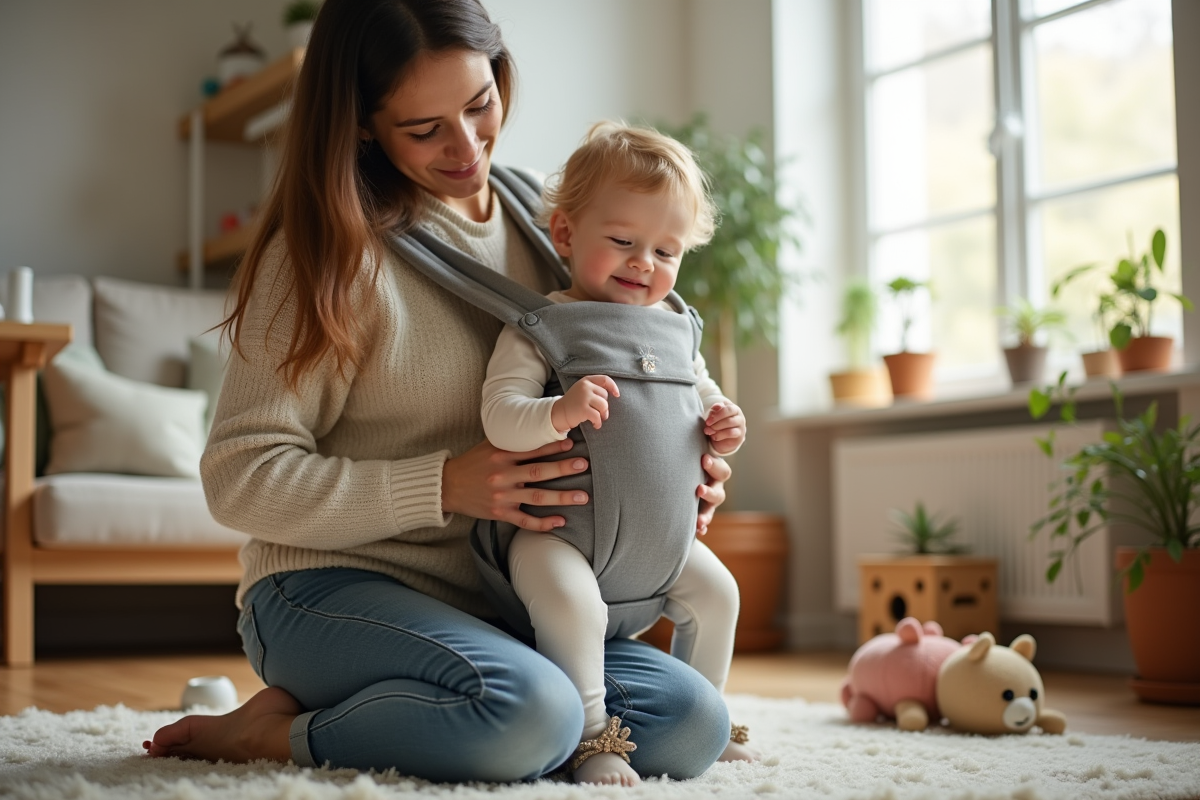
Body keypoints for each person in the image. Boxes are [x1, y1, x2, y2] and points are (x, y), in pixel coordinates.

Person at [142, 0, 734, 784]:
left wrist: (678, 465)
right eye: (424, 129)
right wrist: (446, 484)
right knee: (533, 716)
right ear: (361, 124)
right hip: (333, 589)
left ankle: (452, 708)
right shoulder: (325, 253)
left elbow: (636, 373)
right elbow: (238, 475)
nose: (466, 146)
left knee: (693, 725)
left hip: (504, 598)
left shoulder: (549, 221)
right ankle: (272, 735)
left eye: (480, 104)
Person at [478, 122, 754, 786]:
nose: (644, 264)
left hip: (659, 546)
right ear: (567, 235)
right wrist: (557, 412)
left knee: (719, 593)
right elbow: (499, 418)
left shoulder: (678, 328)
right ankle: (593, 735)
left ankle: (710, 712)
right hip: (560, 538)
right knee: (574, 606)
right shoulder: (547, 326)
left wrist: (724, 422)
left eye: (667, 250)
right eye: (624, 242)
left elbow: (703, 398)